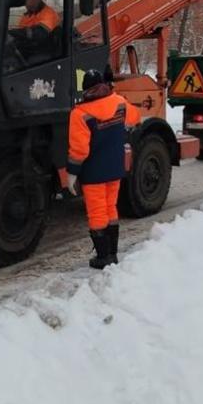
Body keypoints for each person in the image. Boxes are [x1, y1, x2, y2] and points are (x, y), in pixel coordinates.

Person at [66, 69, 140, 269]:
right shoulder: (120, 103)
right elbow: (135, 117)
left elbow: (79, 150)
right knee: (110, 207)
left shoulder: (80, 114)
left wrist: (72, 172)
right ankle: (113, 253)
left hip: (93, 172)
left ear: (86, 89)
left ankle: (103, 257)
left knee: (97, 213)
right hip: (115, 168)